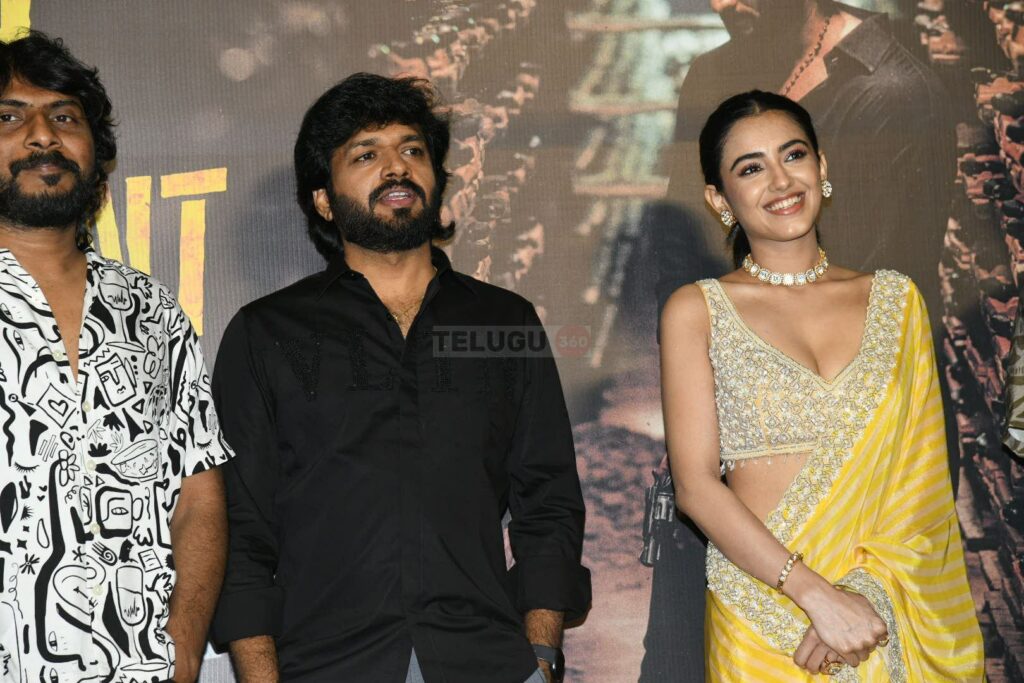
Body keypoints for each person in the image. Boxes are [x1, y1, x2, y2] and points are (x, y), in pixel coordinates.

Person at [210, 73, 591, 683]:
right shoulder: (267, 334)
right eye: (366, 154)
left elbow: (548, 503)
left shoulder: (504, 322)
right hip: (328, 664)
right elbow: (240, 527)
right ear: (323, 200)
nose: (396, 167)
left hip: (484, 660)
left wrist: (542, 656)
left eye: (412, 150)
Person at [642, 4, 957, 677]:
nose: (781, 181)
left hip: (880, 613)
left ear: (822, 166)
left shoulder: (896, 301)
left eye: (793, 156)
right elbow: (696, 486)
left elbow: (923, 483)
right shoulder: (697, 311)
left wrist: (864, 596)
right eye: (750, 169)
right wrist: (816, 596)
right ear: (719, 199)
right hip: (761, 617)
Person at [0, 31, 232, 683]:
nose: (42, 135)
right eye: (10, 117)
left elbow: (199, 495)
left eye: (64, 117)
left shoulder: (152, 311)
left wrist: (184, 646)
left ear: (98, 158)